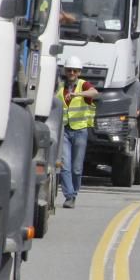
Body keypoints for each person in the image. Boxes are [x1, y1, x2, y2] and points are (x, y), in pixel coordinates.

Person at [57, 56, 98, 208]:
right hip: (65, 130)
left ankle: (74, 194)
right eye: (69, 70)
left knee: (76, 168)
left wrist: (77, 95)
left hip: (80, 130)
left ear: (79, 72)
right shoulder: (60, 86)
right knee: (65, 166)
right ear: (65, 71)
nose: (72, 73)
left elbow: (94, 93)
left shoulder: (83, 85)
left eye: (75, 70)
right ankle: (69, 196)